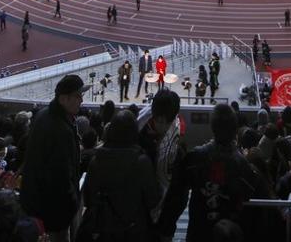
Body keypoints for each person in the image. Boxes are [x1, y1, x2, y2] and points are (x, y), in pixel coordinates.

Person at [158, 103, 262, 242]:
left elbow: (179, 193)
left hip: (198, 232)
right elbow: (248, 194)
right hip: (227, 235)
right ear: (235, 131)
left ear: (212, 128)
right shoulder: (243, 166)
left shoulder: (194, 158)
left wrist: (168, 227)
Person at [19, 74, 86, 240]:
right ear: (63, 99)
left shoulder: (44, 116)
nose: (81, 101)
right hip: (54, 213)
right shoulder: (60, 130)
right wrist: (73, 205)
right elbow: (61, 177)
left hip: (38, 206)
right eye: (78, 96)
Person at [78, 110, 159, 242]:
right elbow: (153, 200)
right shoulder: (141, 162)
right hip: (134, 231)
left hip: (103, 231)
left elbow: (88, 199)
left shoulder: (97, 161)